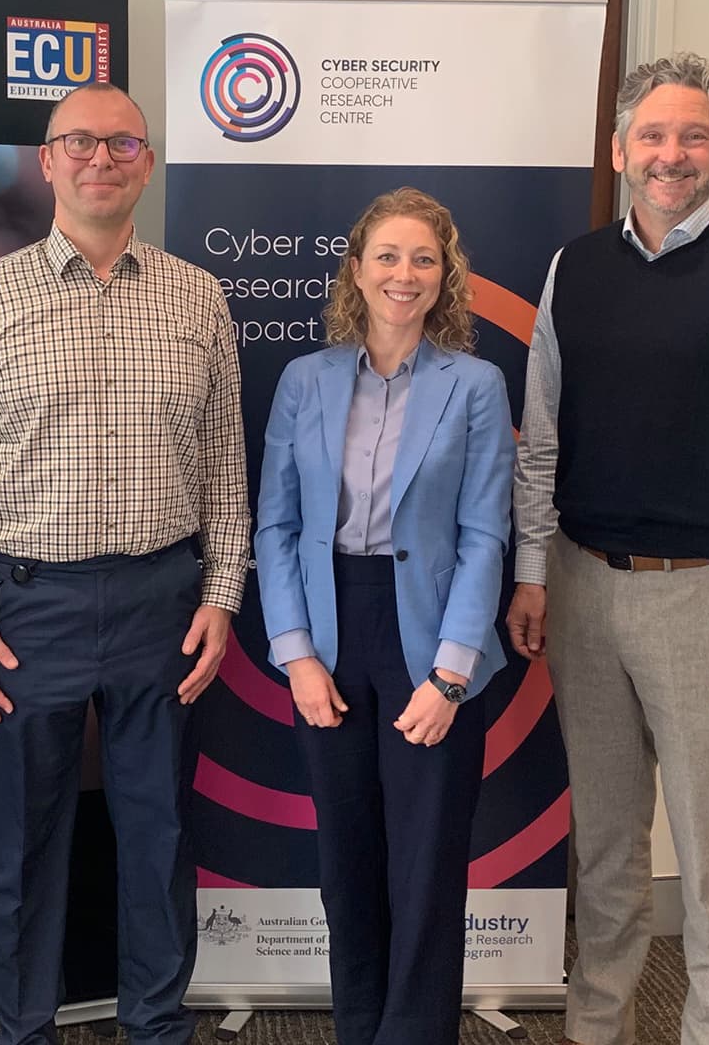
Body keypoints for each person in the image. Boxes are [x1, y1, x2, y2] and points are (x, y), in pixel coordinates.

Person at [0, 82, 249, 1045]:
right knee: (22, 845)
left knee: (161, 840)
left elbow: (226, 464)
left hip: (163, 603)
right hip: (23, 609)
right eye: (79, 142)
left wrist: (221, 595)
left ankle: (155, 1024)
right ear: (47, 159)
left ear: (146, 161)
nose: (101, 158)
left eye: (122, 142)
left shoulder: (198, 296)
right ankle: (23, 1030)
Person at [505, 52, 709, 1045]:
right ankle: (598, 1031)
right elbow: (544, 435)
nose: (671, 154)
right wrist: (530, 571)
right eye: (653, 135)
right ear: (618, 149)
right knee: (604, 851)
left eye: (692, 136)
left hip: (707, 604)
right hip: (583, 585)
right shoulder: (577, 268)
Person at [256, 187, 513, 1044]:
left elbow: (484, 538)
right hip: (330, 633)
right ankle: (358, 1026)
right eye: (388, 258)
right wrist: (294, 654)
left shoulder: (474, 385)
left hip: (432, 641)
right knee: (348, 861)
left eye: (424, 259)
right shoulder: (305, 380)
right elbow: (278, 526)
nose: (405, 275)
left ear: (445, 278)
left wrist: (451, 673)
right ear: (357, 272)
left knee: (427, 865)